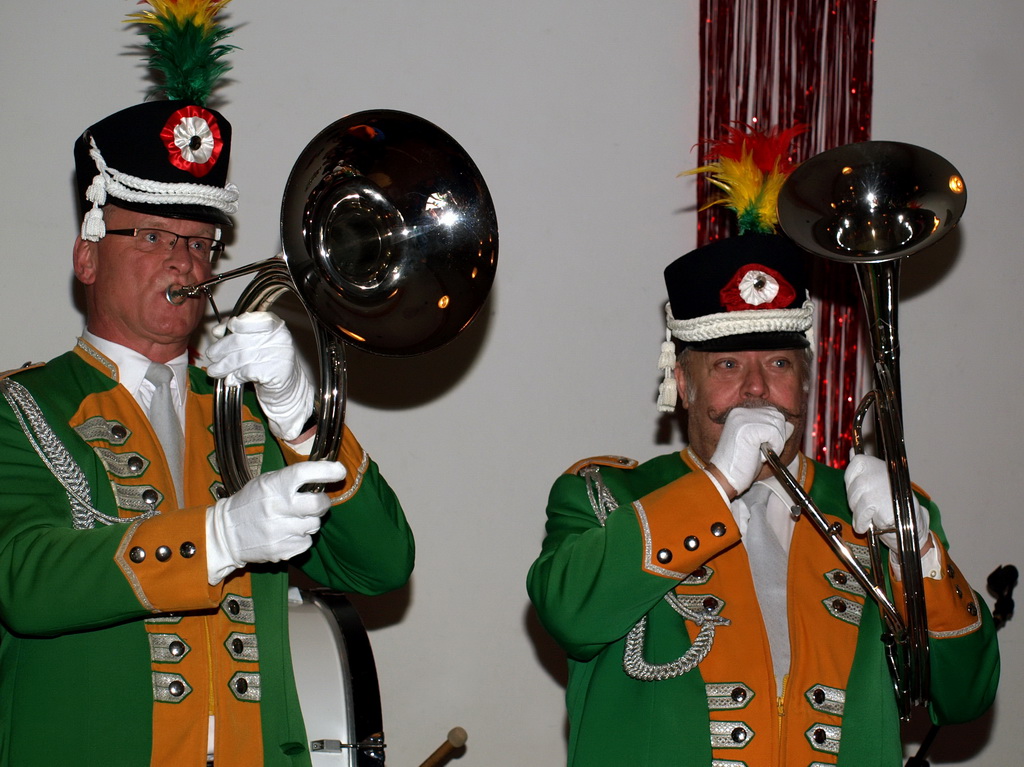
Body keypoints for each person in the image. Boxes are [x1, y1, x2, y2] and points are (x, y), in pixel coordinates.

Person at [0, 90, 414, 767]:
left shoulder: (247, 411)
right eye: (152, 236)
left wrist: (298, 411)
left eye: (199, 242)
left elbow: (381, 563)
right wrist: (218, 537)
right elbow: (24, 580)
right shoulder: (20, 408)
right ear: (87, 256)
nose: (184, 261)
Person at [527, 232, 999, 766]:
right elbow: (569, 615)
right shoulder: (605, 495)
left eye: (778, 364)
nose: (755, 388)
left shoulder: (879, 509)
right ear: (683, 384)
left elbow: (965, 696)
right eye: (727, 365)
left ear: (805, 382)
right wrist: (716, 486)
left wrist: (919, 553)